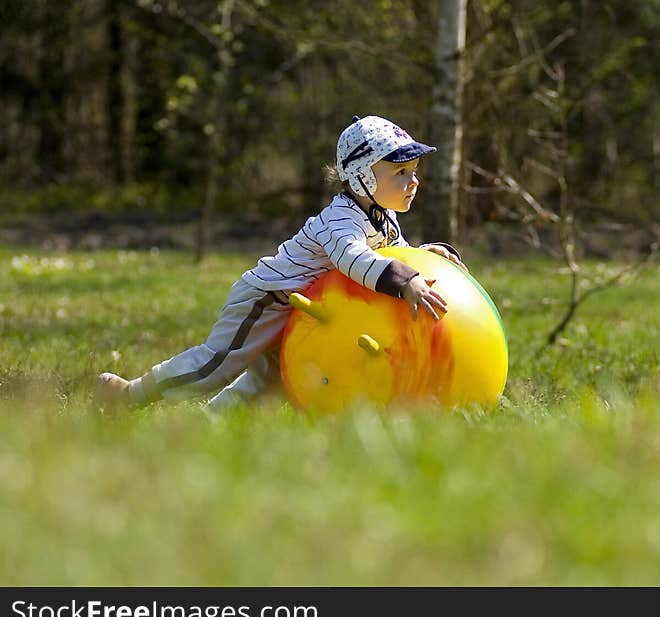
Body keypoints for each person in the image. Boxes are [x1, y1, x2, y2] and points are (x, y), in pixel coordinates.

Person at [95, 115, 466, 411]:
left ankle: (210, 424)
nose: (414, 181)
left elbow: (390, 253)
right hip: (268, 297)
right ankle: (128, 394)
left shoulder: (381, 215)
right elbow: (355, 259)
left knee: (273, 379)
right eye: (401, 172)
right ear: (363, 177)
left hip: (304, 308)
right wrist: (405, 281)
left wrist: (424, 254)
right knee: (215, 365)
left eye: (414, 171)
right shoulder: (340, 220)